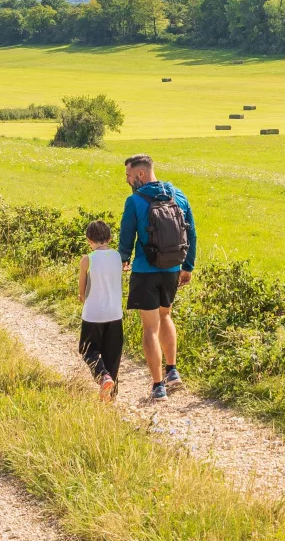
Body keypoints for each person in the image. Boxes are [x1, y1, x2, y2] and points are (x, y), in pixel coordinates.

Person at [117, 153, 195, 401]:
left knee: (150, 327)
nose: (128, 181)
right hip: (173, 269)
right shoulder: (178, 195)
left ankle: (158, 385)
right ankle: (172, 371)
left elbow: (126, 236)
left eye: (129, 176)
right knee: (166, 316)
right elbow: (191, 233)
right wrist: (188, 266)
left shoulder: (135, 200)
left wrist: (123, 259)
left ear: (140, 174)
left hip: (145, 271)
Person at [76, 219, 124, 401]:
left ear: (89, 239)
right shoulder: (117, 256)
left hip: (93, 315)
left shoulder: (87, 259)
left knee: (88, 350)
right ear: (110, 238)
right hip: (115, 314)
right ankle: (110, 397)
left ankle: (103, 376)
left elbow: (82, 288)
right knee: (113, 355)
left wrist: (82, 296)